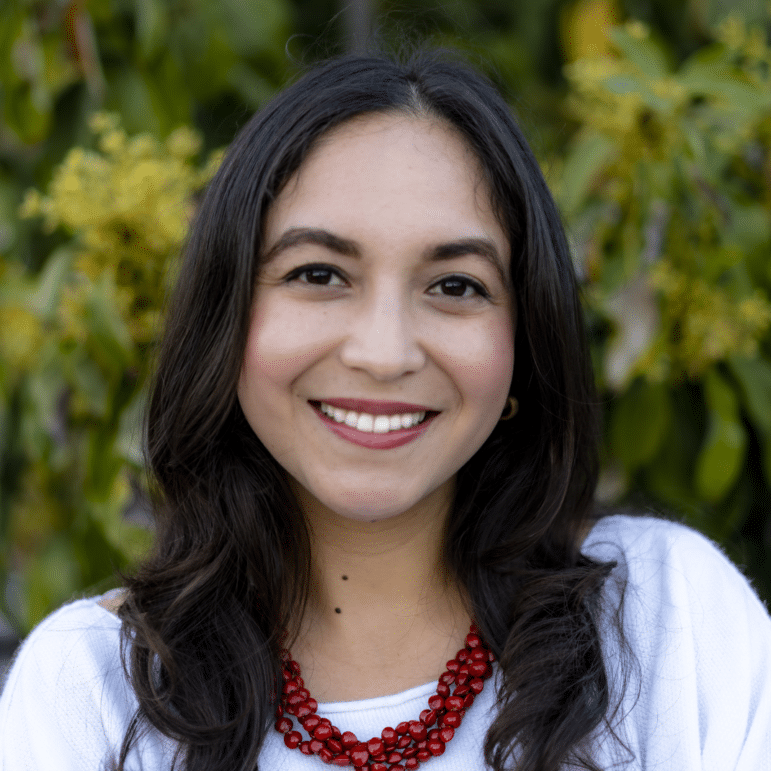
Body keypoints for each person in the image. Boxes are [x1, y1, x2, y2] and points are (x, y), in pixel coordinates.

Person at [1, 40, 770, 771]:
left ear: (523, 340)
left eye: (455, 286)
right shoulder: (95, 687)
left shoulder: (667, 623)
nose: (384, 350)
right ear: (226, 315)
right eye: (319, 273)